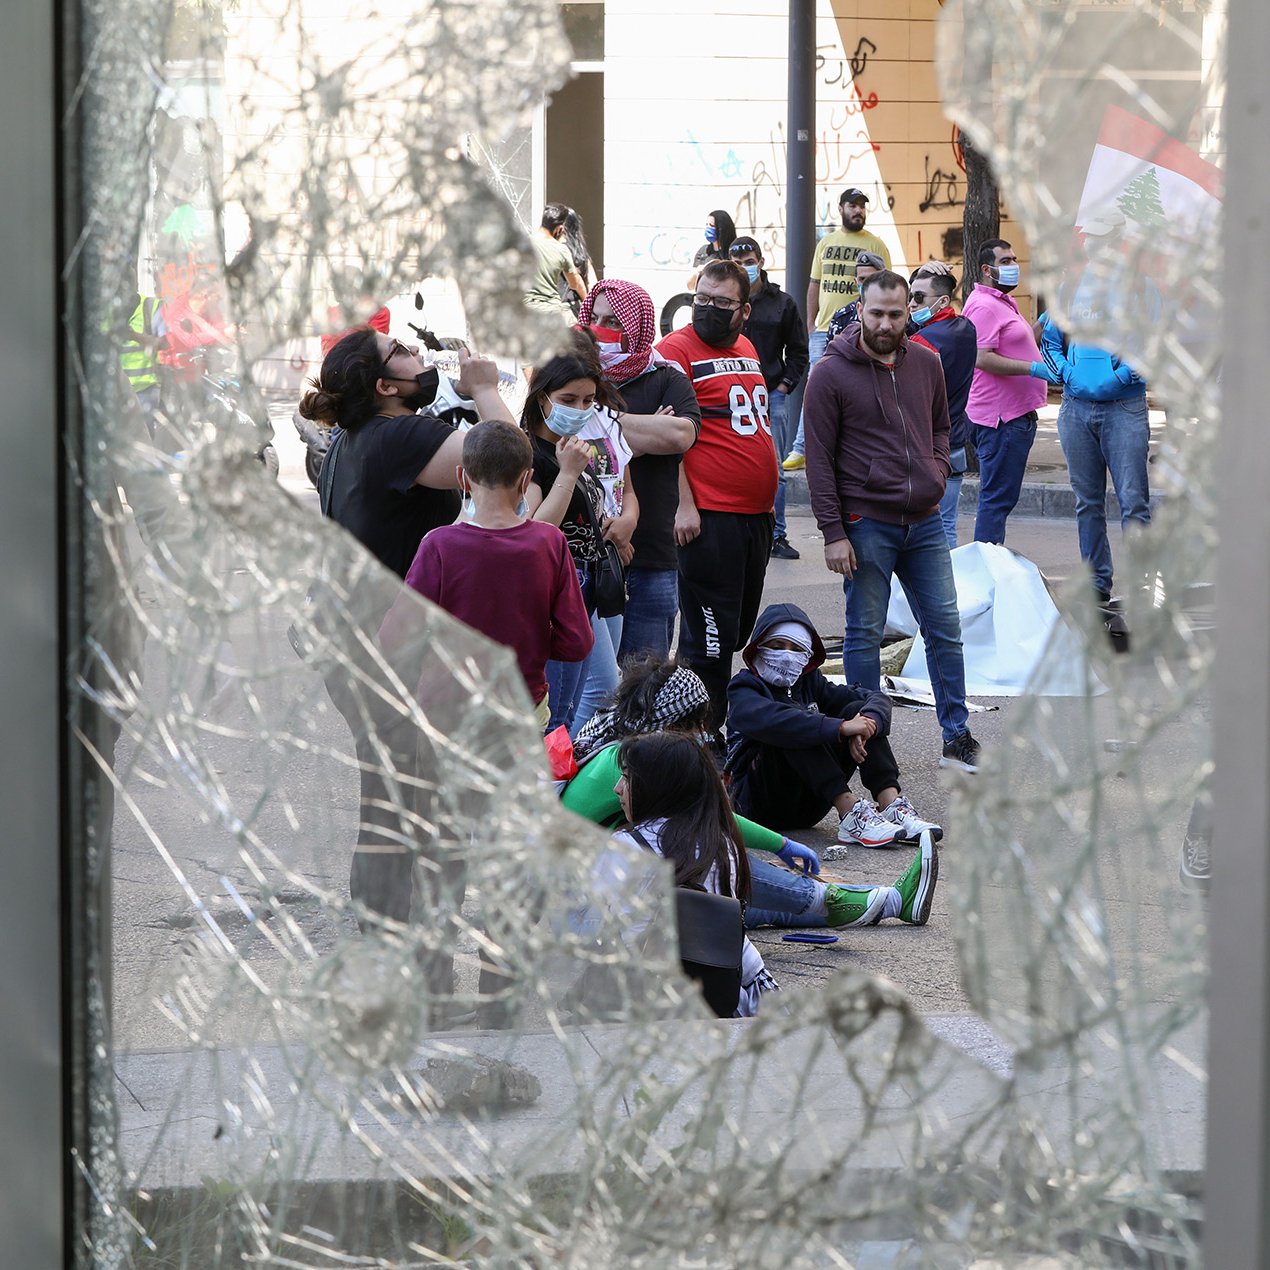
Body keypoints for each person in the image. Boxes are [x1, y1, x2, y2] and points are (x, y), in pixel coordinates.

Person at [298, 328, 511, 945]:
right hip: (393, 653)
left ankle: (385, 934)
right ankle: (411, 944)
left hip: (359, 647)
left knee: (391, 796)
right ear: (385, 386)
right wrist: (485, 388)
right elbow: (506, 462)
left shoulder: (357, 437)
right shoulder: (397, 436)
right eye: (401, 352)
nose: (417, 354)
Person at [566, 658, 938, 931]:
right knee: (711, 854)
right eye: (694, 725)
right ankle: (870, 899)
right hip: (587, 904)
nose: (699, 735)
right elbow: (710, 817)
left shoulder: (622, 743)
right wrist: (781, 845)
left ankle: (888, 902)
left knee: (746, 907)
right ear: (674, 722)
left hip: (607, 892)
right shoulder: (633, 760)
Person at [803, 269, 981, 773]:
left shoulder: (927, 361)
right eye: (877, 313)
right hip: (866, 523)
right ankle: (869, 742)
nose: (885, 323)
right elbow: (818, 460)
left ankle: (957, 737)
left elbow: (942, 426)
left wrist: (937, 470)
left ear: (910, 313)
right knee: (863, 634)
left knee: (945, 629)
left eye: (896, 314)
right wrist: (833, 532)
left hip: (924, 521)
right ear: (860, 310)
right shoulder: (830, 373)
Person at [382, 420, 594, 726]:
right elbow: (577, 642)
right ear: (527, 480)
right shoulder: (550, 542)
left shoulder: (439, 545)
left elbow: (394, 636)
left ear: (462, 478)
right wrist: (532, 640)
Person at [656, 259, 777, 739]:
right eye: (701, 299)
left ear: (744, 310)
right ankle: (700, 739)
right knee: (707, 642)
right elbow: (669, 438)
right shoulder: (674, 350)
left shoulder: (746, 346)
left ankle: (707, 731)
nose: (707, 308)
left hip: (755, 516)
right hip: (711, 515)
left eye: (721, 302)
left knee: (736, 632)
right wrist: (684, 503)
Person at [727, 604, 943, 865]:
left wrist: (866, 724)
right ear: (759, 647)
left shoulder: (810, 682)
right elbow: (772, 719)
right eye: (777, 645)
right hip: (758, 807)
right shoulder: (743, 687)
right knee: (797, 724)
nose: (787, 655)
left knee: (858, 713)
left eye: (796, 649)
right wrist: (839, 728)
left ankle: (891, 805)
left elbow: (875, 698)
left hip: (809, 807)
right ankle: (849, 811)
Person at [578, 280, 700, 663]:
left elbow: (679, 435)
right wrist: (646, 428)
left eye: (613, 321)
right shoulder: (574, 377)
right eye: (595, 319)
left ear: (637, 326)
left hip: (652, 556)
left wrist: (597, 423)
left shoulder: (667, 377)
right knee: (592, 683)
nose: (600, 330)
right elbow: (555, 434)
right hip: (586, 555)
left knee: (643, 681)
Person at [613, 732, 775, 1017]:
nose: (617, 788)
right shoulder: (722, 843)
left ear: (657, 785)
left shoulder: (625, 847)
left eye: (627, 778)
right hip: (722, 996)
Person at [521, 333, 623, 732]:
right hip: (558, 592)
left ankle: (568, 762)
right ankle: (560, 766)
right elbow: (534, 531)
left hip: (589, 586)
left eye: (587, 400)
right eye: (568, 400)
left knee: (594, 693)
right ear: (541, 398)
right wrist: (567, 474)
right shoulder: (531, 454)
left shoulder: (568, 448)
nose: (580, 409)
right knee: (566, 707)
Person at [1040, 252, 1151, 611]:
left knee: (1133, 502)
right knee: (1087, 502)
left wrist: (1121, 377)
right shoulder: (1069, 289)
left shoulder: (1139, 289)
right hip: (1075, 409)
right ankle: (1097, 584)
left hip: (1125, 408)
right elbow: (1050, 340)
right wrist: (1066, 373)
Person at [783, 189, 891, 471]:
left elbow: (888, 285)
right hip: (824, 330)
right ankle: (801, 448)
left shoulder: (876, 245)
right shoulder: (826, 243)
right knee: (816, 388)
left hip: (861, 328)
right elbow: (815, 284)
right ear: (841, 208)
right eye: (853, 206)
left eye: (862, 206)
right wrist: (811, 324)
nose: (858, 211)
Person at [961, 239, 1054, 545]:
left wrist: (1044, 322)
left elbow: (1019, 341)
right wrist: (1033, 369)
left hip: (1012, 417)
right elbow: (980, 357)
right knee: (996, 500)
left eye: (1014, 259)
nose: (1013, 266)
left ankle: (990, 556)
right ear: (987, 269)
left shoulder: (1001, 301)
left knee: (1000, 499)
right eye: (1005, 261)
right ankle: (987, 561)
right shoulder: (984, 306)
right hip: (1001, 420)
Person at [728, 236, 809, 561]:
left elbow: (799, 352)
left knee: (774, 469)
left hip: (771, 395)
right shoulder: (727, 300)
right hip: (732, 395)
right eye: (737, 263)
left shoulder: (783, 303)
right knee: (733, 463)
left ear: (760, 263)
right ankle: (739, 531)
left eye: (748, 262)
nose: (743, 268)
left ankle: (777, 535)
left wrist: (784, 386)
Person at [906, 269, 979, 548]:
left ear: (943, 300)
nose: (911, 304)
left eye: (918, 297)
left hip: (926, 446)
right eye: (911, 296)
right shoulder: (967, 328)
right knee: (947, 526)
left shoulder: (921, 343)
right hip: (955, 442)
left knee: (920, 532)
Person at [525, 203, 587, 317]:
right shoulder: (561, 250)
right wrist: (587, 304)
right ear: (560, 228)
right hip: (551, 311)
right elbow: (574, 283)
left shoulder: (524, 243)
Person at [821, 250, 888, 344]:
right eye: (862, 279)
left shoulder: (896, 312)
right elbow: (832, 350)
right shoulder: (843, 317)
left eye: (872, 278)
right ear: (855, 282)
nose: (866, 283)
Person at [686, 208, 737, 290]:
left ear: (722, 228)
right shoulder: (704, 251)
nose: (708, 228)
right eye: (707, 225)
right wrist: (700, 270)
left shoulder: (734, 251)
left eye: (712, 226)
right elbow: (690, 286)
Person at [558, 207, 597, 315]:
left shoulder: (558, 250)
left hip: (563, 309)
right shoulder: (582, 253)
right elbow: (592, 283)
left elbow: (575, 282)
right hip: (577, 309)